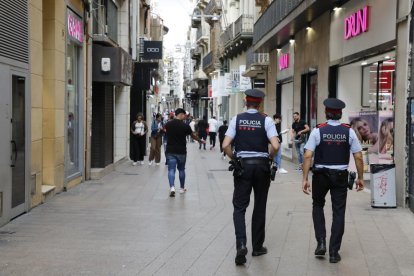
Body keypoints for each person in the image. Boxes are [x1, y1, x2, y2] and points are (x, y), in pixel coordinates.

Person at [302, 98, 364, 264]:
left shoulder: (318, 130)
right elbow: (358, 156)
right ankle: (334, 252)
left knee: (318, 205)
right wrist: (361, 178)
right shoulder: (348, 131)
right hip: (340, 176)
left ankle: (321, 242)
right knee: (338, 212)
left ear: (325, 113)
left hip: (320, 175)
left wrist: (305, 178)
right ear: (340, 114)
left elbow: (308, 155)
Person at [222, 89, 280, 266]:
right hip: (261, 166)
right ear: (260, 103)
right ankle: (257, 247)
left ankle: (241, 244)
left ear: (246, 102)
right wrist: (269, 157)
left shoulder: (237, 119)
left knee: (239, 207)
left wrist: (235, 159)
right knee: (259, 206)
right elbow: (276, 145)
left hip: (243, 167)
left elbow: (225, 145)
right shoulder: (266, 120)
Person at [164, 108, 205, 197]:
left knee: (171, 169)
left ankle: (172, 187)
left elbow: (164, 132)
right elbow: (193, 136)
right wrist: (200, 140)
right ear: (181, 114)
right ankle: (182, 188)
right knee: (181, 169)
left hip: (170, 151)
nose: (185, 117)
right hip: (181, 151)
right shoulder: (185, 126)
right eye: (184, 115)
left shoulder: (168, 124)